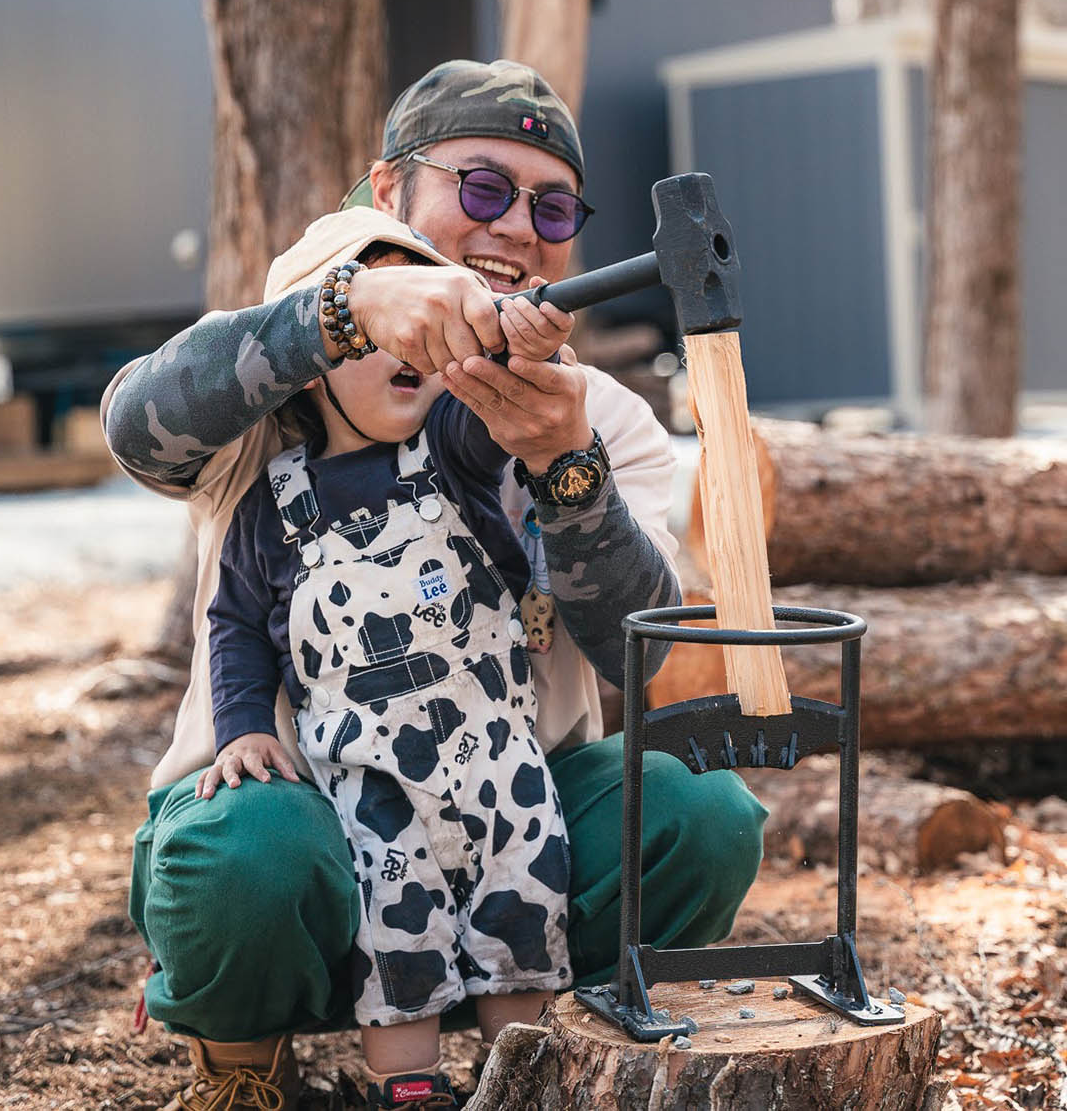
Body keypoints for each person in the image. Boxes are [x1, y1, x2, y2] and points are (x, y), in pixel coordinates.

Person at [101, 60, 768, 1111]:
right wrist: (346, 307)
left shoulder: (596, 411)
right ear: (388, 190)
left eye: (549, 207)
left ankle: (545, 1058)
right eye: (482, 186)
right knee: (248, 858)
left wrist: (564, 468)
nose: (515, 228)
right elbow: (136, 426)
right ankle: (242, 1064)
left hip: (511, 820)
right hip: (303, 824)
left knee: (700, 816)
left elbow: (650, 661)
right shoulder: (282, 377)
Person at [203, 234, 575, 1108]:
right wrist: (244, 723)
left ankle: (517, 1076)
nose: (405, 352)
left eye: (421, 328)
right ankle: (409, 1088)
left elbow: (496, 406)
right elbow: (235, 625)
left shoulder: (450, 445)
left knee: (525, 901)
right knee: (392, 931)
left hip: (497, 766)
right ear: (307, 366)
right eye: (374, 331)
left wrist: (522, 344)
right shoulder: (272, 506)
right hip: (372, 785)